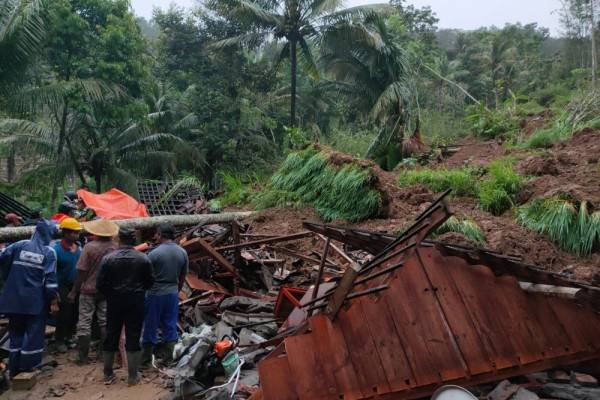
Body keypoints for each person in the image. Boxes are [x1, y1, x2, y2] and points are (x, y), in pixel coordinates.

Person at [0, 220, 59, 377]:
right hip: (34, 301)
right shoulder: (49, 252)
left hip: (13, 299)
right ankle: (28, 367)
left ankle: (14, 368)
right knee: (33, 334)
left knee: (16, 334)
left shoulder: (18, 245)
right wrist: (53, 300)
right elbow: (50, 281)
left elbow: (2, 258)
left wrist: (7, 278)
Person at [97, 228, 154, 386]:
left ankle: (108, 373)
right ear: (134, 240)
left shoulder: (108, 258)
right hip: (135, 302)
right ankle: (133, 376)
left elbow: (100, 284)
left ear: (119, 240)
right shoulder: (143, 258)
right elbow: (149, 282)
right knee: (134, 335)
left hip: (114, 301)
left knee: (111, 333)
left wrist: (111, 294)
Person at [67, 219, 118, 364]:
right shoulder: (115, 248)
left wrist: (74, 291)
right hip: (106, 291)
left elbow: (82, 271)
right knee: (104, 321)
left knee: (84, 322)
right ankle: (104, 353)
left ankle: (83, 356)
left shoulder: (89, 247)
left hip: (88, 290)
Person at [141, 223, 188, 368]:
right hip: (172, 293)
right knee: (170, 324)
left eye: (157, 234)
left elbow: (146, 277)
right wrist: (177, 289)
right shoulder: (182, 252)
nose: (155, 236)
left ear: (160, 235)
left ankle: (146, 361)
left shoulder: (154, 254)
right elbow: (183, 275)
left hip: (155, 293)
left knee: (150, 325)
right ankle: (169, 358)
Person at [52, 218, 82, 353]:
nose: (77, 234)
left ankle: (69, 337)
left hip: (76, 284)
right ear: (66, 233)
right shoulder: (56, 250)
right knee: (64, 313)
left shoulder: (79, 247)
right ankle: (59, 340)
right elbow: (51, 272)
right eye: (74, 232)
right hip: (61, 285)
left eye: (77, 232)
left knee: (75, 312)